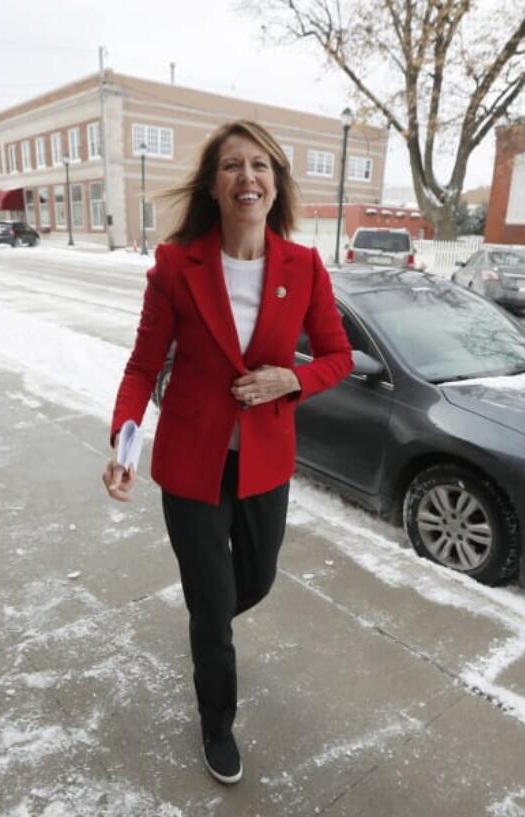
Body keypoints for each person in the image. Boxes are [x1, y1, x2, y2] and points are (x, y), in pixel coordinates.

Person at [101, 120, 353, 785]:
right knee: (214, 610)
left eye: (262, 165)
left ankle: (206, 618)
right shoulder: (176, 266)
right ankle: (217, 717)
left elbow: (337, 355)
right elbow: (141, 365)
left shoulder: (303, 267)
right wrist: (126, 439)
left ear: (276, 184)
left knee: (259, 579)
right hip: (191, 461)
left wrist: (291, 377)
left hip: (263, 458)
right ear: (214, 186)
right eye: (234, 166)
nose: (249, 176)